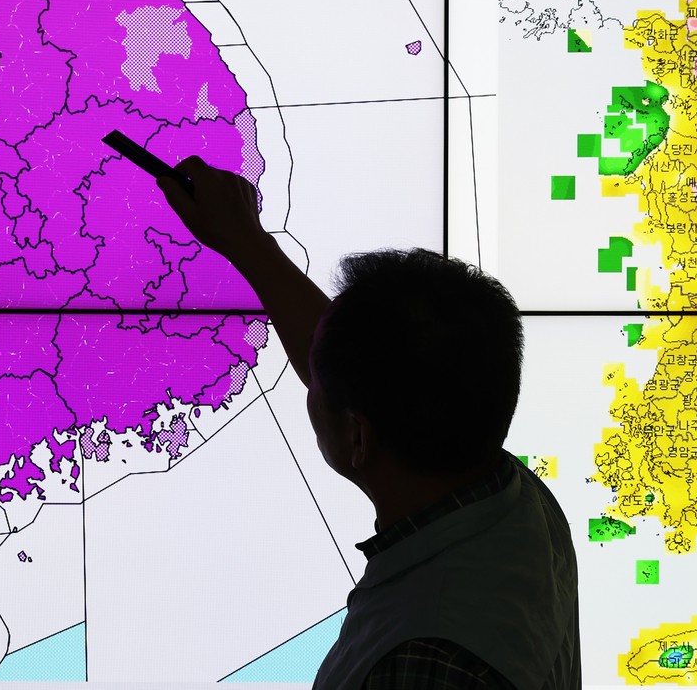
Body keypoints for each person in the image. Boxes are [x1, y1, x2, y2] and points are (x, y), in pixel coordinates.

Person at [159, 158, 580, 690]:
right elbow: (359, 359)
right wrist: (248, 242)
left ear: (359, 436)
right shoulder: (513, 496)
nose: (311, 380)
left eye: (319, 382)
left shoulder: (420, 667)